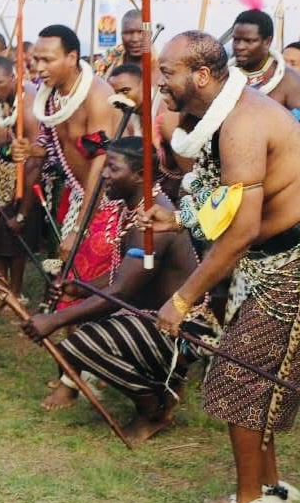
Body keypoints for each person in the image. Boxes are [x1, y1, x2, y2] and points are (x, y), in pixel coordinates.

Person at [144, 32, 300, 503]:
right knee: (250, 374)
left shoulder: (243, 123)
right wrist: (178, 222)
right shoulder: (223, 117)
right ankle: (266, 489)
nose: (160, 83)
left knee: (240, 380)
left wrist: (182, 298)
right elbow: (225, 208)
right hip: (276, 259)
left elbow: (239, 231)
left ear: (200, 75)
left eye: (168, 72)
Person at [22, 137, 202, 438]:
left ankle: (153, 407)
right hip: (152, 317)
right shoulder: (133, 210)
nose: (104, 174)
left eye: (113, 168)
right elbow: (126, 275)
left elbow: (121, 293)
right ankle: (162, 387)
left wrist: (53, 320)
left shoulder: (152, 220)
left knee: (76, 346)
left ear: (140, 176)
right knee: (85, 321)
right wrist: (80, 288)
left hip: (184, 328)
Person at [16, 24, 122, 258]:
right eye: (36, 59)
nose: (39, 68)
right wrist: (32, 150)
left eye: (48, 60)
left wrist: (78, 228)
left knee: (91, 282)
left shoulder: (97, 95)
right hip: (78, 194)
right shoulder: (51, 94)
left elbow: (102, 162)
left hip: (108, 198)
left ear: (72, 57)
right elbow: (57, 144)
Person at [0, 55, 41, 300]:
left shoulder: (30, 106)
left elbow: (36, 161)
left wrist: (24, 212)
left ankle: (16, 291)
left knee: (17, 237)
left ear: (13, 78)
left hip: (26, 179)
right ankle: (1, 290)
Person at [230, 9, 300, 140]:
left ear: (267, 41)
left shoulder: (289, 80)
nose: (239, 46)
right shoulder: (224, 76)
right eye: (236, 40)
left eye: (249, 41)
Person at [96, 8, 146, 77]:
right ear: (121, 35)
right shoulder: (109, 63)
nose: (135, 39)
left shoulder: (160, 69)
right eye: (128, 32)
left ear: (150, 34)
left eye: (141, 32)